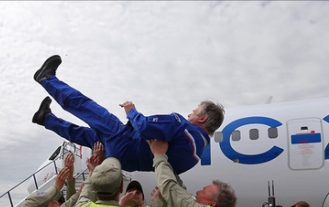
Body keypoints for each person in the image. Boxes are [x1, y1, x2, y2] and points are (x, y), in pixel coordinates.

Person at [32, 55, 224, 175]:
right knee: (85, 136)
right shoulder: (195, 157)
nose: (190, 113)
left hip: (124, 139)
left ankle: (47, 79)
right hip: (124, 159)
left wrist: (131, 111)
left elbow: (145, 126)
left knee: (86, 108)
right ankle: (46, 119)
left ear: (203, 118)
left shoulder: (183, 127)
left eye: (195, 111)